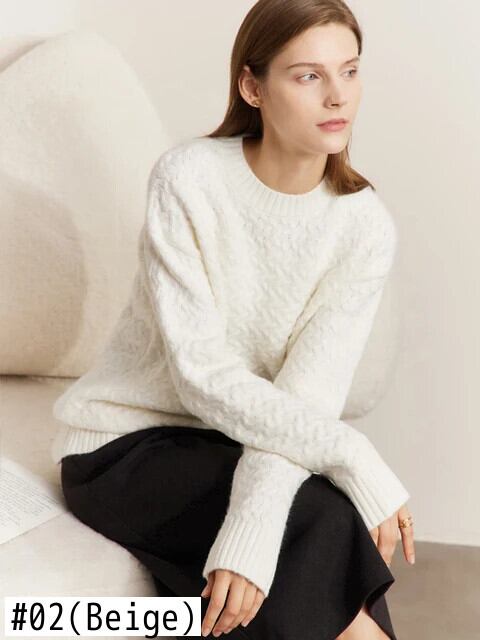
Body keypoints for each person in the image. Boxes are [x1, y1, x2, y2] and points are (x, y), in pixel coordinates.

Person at [55, 1, 416, 638]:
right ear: (253, 87)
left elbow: (305, 399)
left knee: (322, 518)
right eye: (308, 76)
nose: (338, 95)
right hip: (124, 446)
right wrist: (354, 454)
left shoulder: (363, 228)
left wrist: (252, 531)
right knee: (324, 516)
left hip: (242, 441)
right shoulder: (188, 179)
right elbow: (201, 376)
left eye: (350, 70)